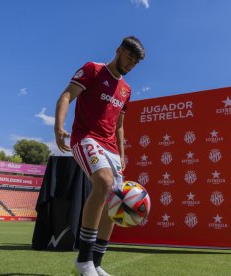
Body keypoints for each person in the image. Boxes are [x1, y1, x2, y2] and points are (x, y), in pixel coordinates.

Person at [54, 36, 145, 276]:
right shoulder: (92, 69)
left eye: (136, 63)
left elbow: (120, 125)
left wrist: (122, 154)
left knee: (117, 200)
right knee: (103, 182)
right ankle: (83, 260)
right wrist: (58, 127)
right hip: (85, 138)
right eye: (129, 58)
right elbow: (66, 96)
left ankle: (96, 262)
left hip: (112, 149)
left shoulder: (126, 89)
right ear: (118, 51)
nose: (131, 65)